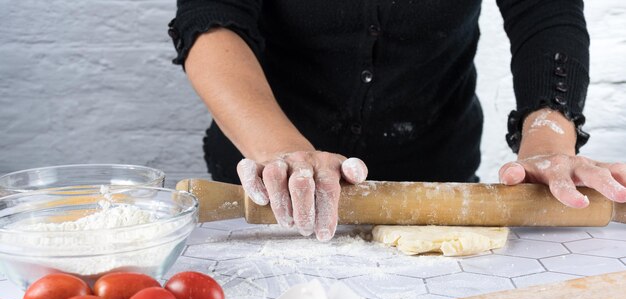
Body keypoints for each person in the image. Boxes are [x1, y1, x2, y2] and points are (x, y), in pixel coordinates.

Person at [168, 0, 626, 241]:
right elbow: (210, 19)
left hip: (436, 180)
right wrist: (281, 151)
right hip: (271, 185)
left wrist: (549, 143)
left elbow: (546, 15)